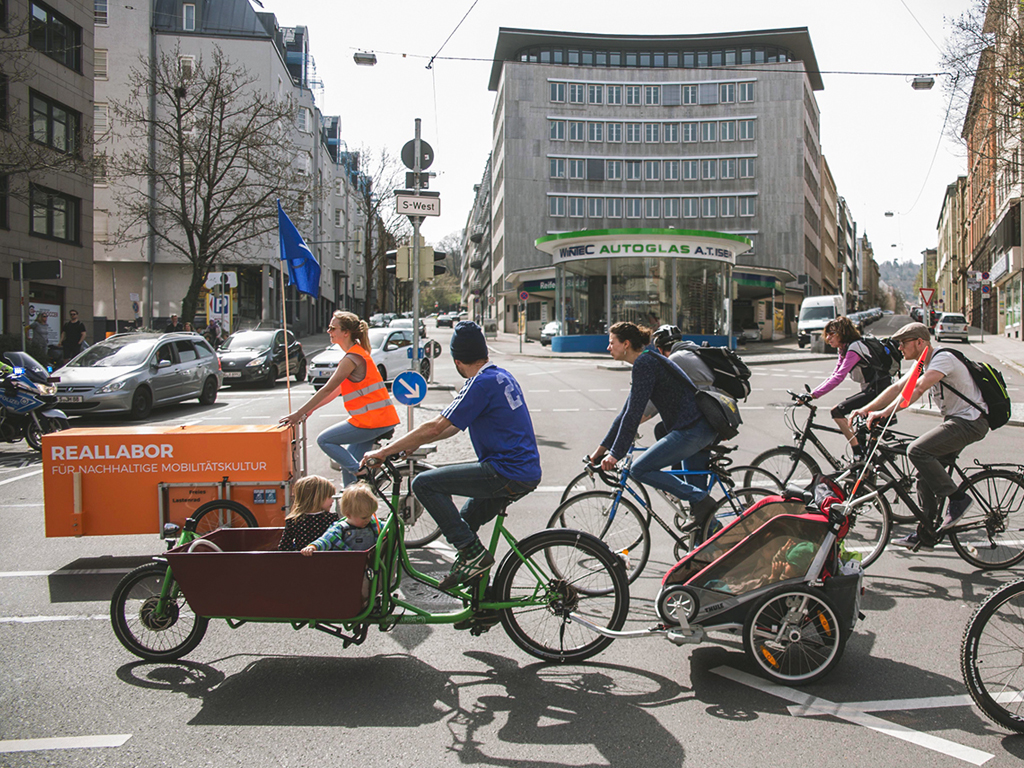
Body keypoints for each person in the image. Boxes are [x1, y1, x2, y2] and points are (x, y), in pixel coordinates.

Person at [361, 321, 541, 590]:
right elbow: (452, 426)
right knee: (466, 519)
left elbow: (436, 426)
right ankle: (484, 602)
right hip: (522, 471)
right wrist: (408, 445)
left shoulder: (478, 384)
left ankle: (472, 554)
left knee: (424, 483)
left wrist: (386, 451)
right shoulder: (500, 376)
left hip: (505, 472)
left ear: (457, 360)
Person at [852, 321, 989, 551]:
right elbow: (897, 388)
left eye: (903, 343)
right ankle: (926, 534)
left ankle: (958, 499)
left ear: (919, 342)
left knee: (916, 450)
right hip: (958, 421)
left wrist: (885, 413)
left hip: (970, 422)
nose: (900, 348)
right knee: (924, 475)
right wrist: (868, 409)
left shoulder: (942, 359)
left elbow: (917, 389)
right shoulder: (921, 364)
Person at [591, 322, 718, 514]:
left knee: (639, 469)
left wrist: (615, 454)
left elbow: (633, 414)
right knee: (696, 509)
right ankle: (708, 530)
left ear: (626, 344)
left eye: (611, 342)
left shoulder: (645, 363)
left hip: (692, 429)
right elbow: (625, 415)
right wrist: (599, 451)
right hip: (692, 428)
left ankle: (702, 500)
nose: (608, 347)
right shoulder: (647, 360)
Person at [281, 311, 400, 486]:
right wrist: (312, 409)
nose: (329, 331)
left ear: (346, 333)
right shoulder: (357, 354)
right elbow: (335, 391)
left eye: (332, 328)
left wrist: (298, 414)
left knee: (325, 440)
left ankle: (360, 473)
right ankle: (356, 503)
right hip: (376, 419)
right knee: (349, 466)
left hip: (372, 421)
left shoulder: (352, 358)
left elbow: (327, 388)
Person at [648, 325, 718, 524]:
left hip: (707, 422)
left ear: (661, 349)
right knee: (663, 429)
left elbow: (653, 402)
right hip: (716, 416)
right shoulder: (691, 352)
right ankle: (678, 483)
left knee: (696, 487)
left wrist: (633, 420)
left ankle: (706, 529)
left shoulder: (675, 360)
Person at [810, 316, 893, 457]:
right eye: (827, 334)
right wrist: (812, 393)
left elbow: (839, 376)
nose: (828, 338)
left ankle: (857, 453)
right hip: (871, 390)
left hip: (878, 391)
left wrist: (814, 395)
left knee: (837, 412)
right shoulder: (844, 349)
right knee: (860, 432)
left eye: (832, 334)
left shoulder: (854, 348)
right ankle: (864, 469)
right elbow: (834, 373)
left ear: (843, 333)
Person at [300, 482, 380, 554]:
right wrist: (313, 547)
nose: (368, 519)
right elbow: (326, 540)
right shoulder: (340, 528)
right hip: (346, 564)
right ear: (348, 515)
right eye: (364, 518)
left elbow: (385, 529)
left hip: (369, 565)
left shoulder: (373, 524)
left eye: (371, 515)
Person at [277, 475, 340, 551]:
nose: (332, 500)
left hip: (325, 560)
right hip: (307, 561)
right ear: (317, 498)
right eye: (329, 497)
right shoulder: (294, 521)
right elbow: (285, 547)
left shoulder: (332, 518)